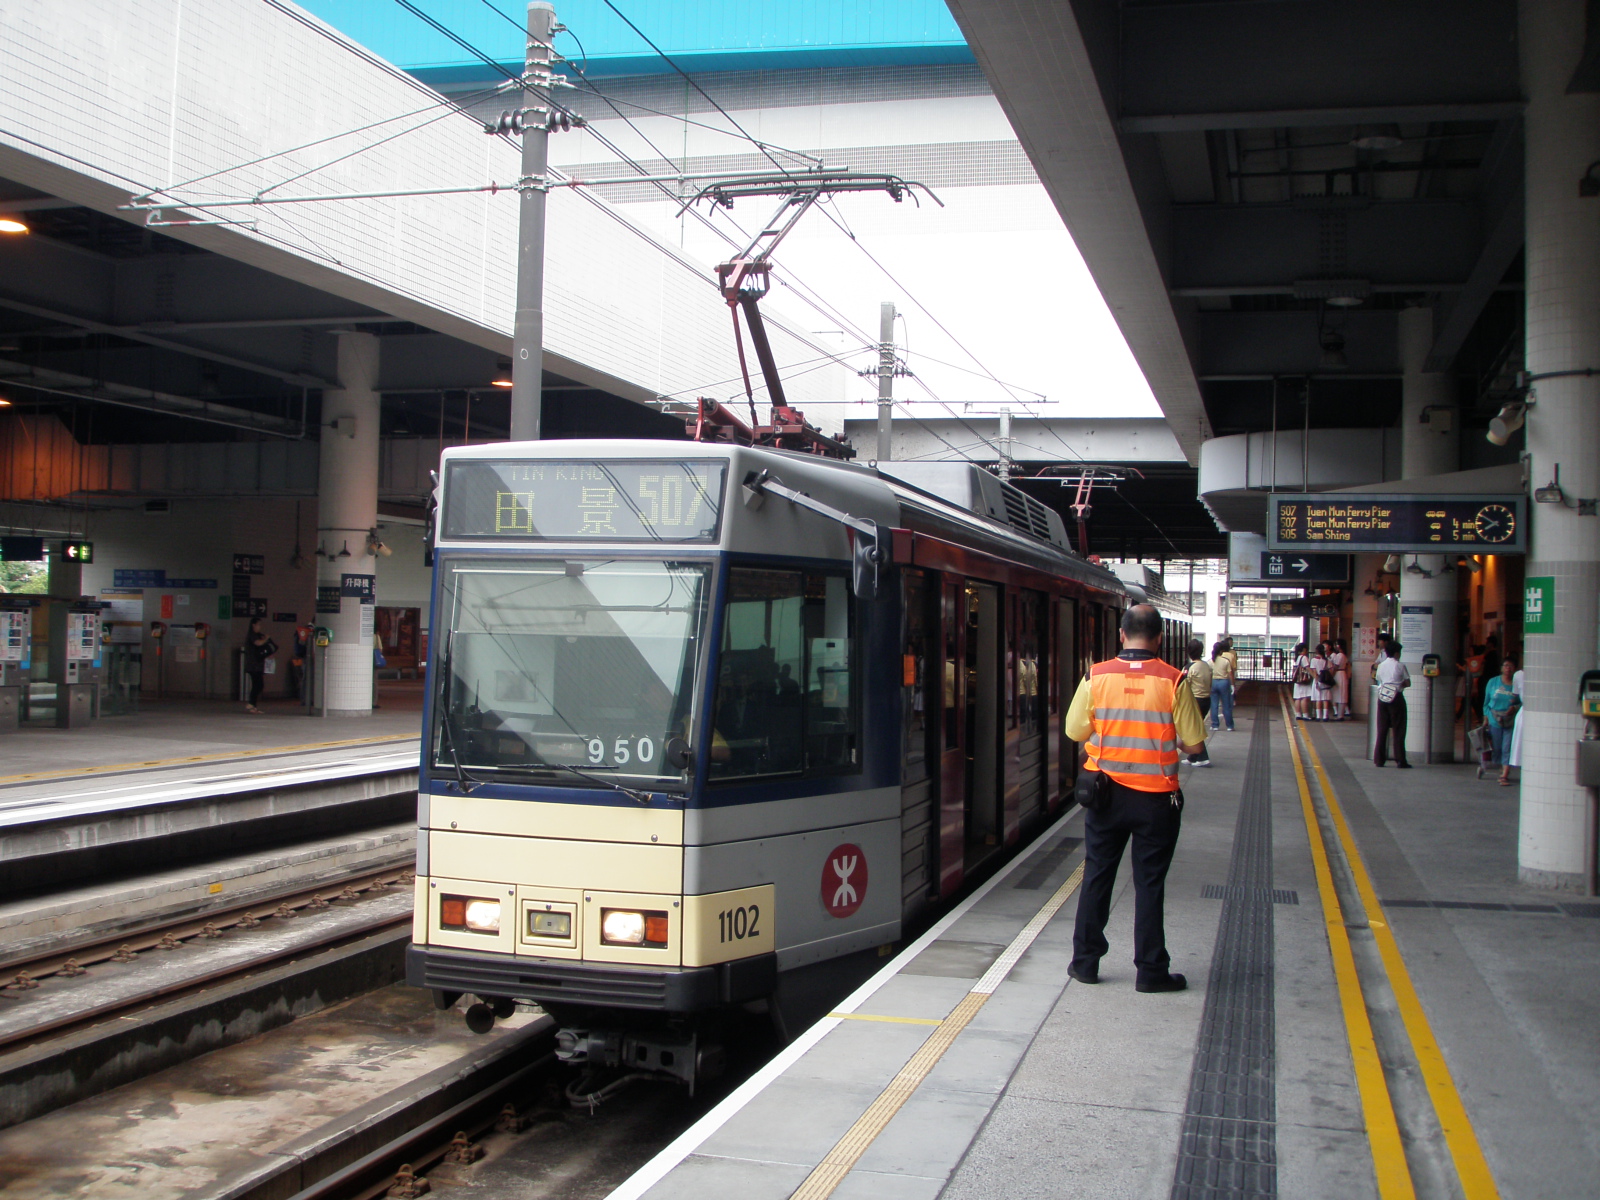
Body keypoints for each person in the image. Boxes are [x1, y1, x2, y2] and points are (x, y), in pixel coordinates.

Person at [1065, 604, 1206, 993]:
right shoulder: (1174, 681)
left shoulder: (1096, 676)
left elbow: (1075, 730)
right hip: (1156, 799)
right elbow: (1194, 745)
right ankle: (1150, 971)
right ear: (1159, 638)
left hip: (1105, 794)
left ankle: (1085, 963)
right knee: (1149, 884)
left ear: (1122, 635)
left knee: (1097, 875)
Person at [1373, 639, 1412, 768]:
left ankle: (1379, 759)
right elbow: (1407, 683)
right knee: (1399, 729)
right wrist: (1399, 684)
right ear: (1396, 653)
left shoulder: (1381, 665)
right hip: (1396, 698)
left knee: (1382, 729)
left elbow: (1378, 679)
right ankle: (1400, 760)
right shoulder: (1400, 665)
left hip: (1382, 698)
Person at [1483, 657, 1521, 787]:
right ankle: (1500, 766)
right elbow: (1486, 701)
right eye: (1505, 665)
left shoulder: (1517, 684)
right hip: (1495, 718)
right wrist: (1486, 717)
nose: (1508, 668)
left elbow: (1522, 701)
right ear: (1501, 668)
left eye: (1511, 666)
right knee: (1497, 747)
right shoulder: (1493, 682)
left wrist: (1514, 708)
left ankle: (1505, 774)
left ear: (1515, 669)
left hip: (1510, 720)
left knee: (1507, 747)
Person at [1182, 639, 1213, 767]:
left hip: (1195, 701)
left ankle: (1203, 757)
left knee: (1194, 729)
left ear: (1189, 652)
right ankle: (1192, 757)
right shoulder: (1206, 665)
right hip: (1206, 700)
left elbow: (1183, 686)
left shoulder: (1189, 668)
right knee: (1196, 727)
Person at [242, 618, 277, 715]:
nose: (259, 627)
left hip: (257, 664)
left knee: (258, 684)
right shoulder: (252, 635)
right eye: (258, 625)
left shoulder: (257, 635)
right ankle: (251, 704)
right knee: (258, 684)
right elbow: (258, 643)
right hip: (253, 665)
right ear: (254, 625)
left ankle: (253, 705)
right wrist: (266, 638)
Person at [1209, 639, 1236, 733]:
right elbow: (1230, 674)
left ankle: (1215, 725)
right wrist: (1232, 685)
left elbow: (1209, 674)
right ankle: (1229, 725)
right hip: (1224, 682)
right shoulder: (1225, 661)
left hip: (1213, 682)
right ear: (1221, 651)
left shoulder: (1210, 661)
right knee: (1226, 704)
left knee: (1214, 704)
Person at [1506, 659, 1526, 784]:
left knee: (1520, 744)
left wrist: (1511, 703)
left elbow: (1515, 696)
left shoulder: (1519, 675)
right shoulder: (1518, 675)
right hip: (1526, 712)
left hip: (1524, 712)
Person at [1328, 639, 1351, 720]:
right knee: (1341, 694)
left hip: (1338, 674)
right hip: (1342, 674)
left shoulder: (1339, 656)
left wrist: (1331, 676)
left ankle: (1340, 715)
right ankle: (1341, 714)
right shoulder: (1344, 655)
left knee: (1340, 695)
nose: (1335, 646)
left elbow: (1335, 667)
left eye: (1336, 644)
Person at [1291, 642, 1314, 720]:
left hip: (1298, 680)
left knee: (1298, 698)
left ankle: (1298, 714)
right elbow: (1307, 668)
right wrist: (1314, 676)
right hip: (1303, 680)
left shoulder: (1297, 657)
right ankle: (1305, 715)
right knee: (1304, 697)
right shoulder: (1304, 658)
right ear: (1304, 649)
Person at [1310, 642, 1332, 721]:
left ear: (1317, 651)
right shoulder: (1327, 660)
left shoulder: (1314, 660)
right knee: (1325, 699)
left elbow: (1314, 672)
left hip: (1318, 680)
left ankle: (1318, 716)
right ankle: (1325, 716)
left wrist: (1316, 682)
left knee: (1318, 699)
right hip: (1325, 681)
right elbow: (1331, 670)